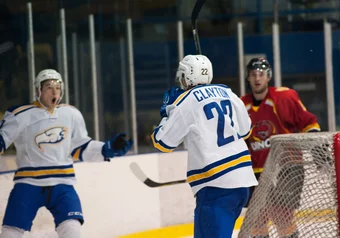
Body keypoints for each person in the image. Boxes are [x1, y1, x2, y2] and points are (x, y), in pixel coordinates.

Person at [0, 69, 133, 238]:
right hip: (28, 183)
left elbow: (80, 147)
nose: (54, 90)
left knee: (72, 230)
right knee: (10, 233)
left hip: (62, 183)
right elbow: (2, 140)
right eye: (48, 86)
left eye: (57, 86)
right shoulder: (19, 114)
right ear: (38, 90)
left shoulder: (71, 114)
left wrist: (106, 149)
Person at [151, 54, 258, 238]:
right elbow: (246, 130)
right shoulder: (228, 93)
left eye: (182, 76)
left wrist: (167, 112)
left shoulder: (186, 101)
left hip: (216, 186)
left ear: (188, 76)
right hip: (243, 184)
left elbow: (162, 143)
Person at [241, 57, 321, 238]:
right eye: (253, 74)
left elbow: (308, 123)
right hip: (256, 171)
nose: (257, 78)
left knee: (281, 214)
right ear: (248, 78)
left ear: (268, 76)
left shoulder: (283, 97)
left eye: (261, 74)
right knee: (257, 218)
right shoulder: (241, 105)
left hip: (288, 166)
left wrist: (315, 145)